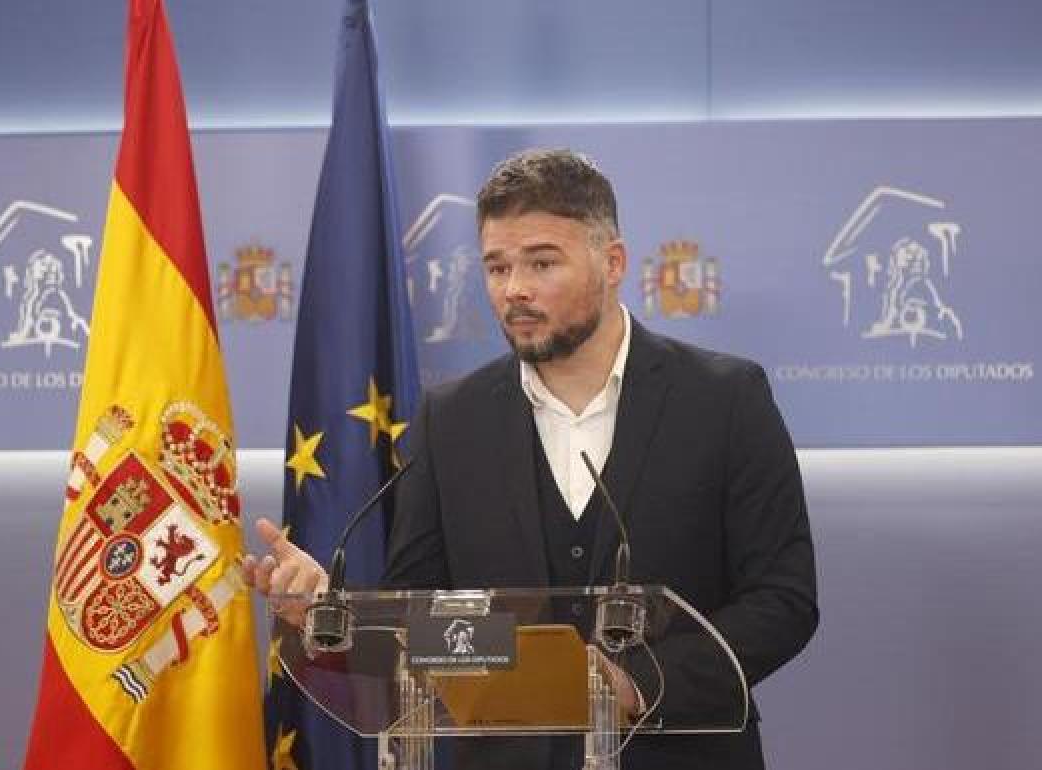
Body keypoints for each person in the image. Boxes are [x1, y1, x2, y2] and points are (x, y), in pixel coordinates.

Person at [244, 148, 818, 770]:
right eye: (497, 267)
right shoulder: (451, 418)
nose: (513, 288)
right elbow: (422, 617)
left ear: (613, 262)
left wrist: (637, 682)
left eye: (542, 262)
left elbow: (782, 599)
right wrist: (335, 614)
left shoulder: (724, 398)